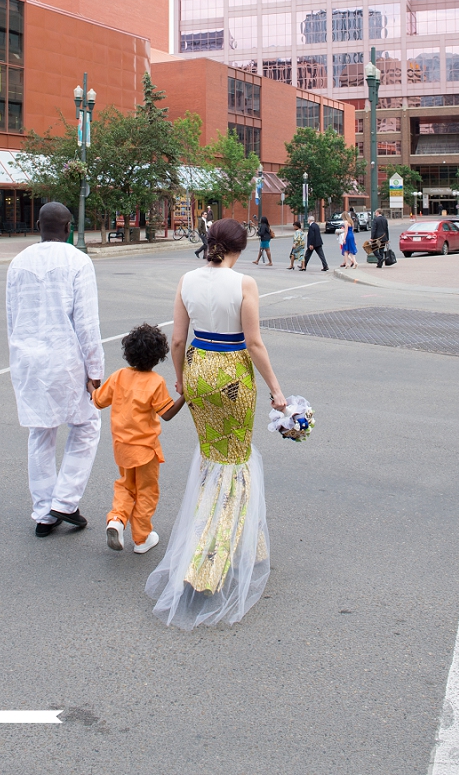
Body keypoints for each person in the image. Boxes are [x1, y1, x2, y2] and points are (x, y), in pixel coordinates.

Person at [146, 218, 286, 629]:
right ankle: (208, 564)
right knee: (236, 461)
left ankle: (246, 544)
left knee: (213, 457)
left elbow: (176, 339)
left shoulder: (187, 279)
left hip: (198, 371)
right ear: (239, 248)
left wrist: (180, 377)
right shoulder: (243, 284)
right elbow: (254, 342)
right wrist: (277, 389)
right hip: (233, 375)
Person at [6, 201, 104, 537]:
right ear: (68, 228)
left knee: (40, 432)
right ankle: (64, 500)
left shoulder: (18, 263)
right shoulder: (78, 261)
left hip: (29, 359)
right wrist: (95, 370)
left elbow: (12, 318)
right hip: (65, 360)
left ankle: (43, 512)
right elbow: (87, 323)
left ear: (38, 225)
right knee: (88, 424)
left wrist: (17, 360)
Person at [90, 323, 185, 555]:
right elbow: (167, 413)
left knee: (125, 486)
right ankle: (142, 538)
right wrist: (186, 396)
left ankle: (116, 520)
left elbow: (98, 401)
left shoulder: (119, 376)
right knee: (146, 491)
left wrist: (92, 387)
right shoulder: (155, 382)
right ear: (158, 357)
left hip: (122, 448)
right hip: (145, 451)